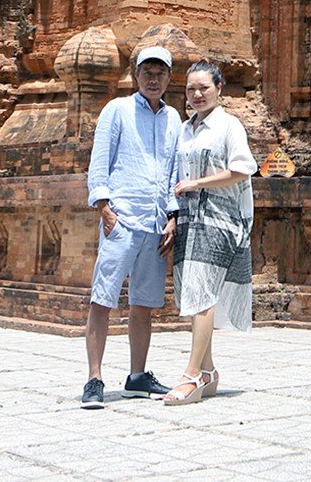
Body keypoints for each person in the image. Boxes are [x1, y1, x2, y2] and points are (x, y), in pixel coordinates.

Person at [81, 45, 182, 408]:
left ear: (170, 78)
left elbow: (174, 171)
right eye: (147, 72)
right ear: (135, 75)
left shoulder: (173, 119)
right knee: (103, 298)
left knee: (144, 303)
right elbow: (100, 158)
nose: (153, 79)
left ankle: (137, 376)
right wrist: (104, 206)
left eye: (160, 73)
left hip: (155, 222)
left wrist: (173, 215)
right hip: (121, 218)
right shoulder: (117, 110)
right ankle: (94, 378)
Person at [161, 58, 257, 406]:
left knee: (201, 295)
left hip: (222, 218)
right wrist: (173, 216)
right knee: (193, 292)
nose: (197, 94)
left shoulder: (229, 125)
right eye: (191, 89)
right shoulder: (186, 129)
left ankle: (190, 376)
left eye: (204, 88)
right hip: (190, 219)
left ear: (219, 88)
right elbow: (175, 178)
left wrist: (197, 183)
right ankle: (209, 371)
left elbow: (243, 168)